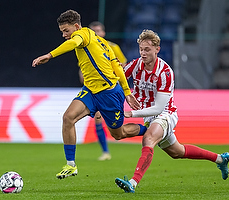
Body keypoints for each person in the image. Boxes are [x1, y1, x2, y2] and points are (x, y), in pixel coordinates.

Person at [32, 10, 148, 179]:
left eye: (66, 31)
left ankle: (150, 130)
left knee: (118, 134)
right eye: (62, 32)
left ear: (77, 26)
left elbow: (117, 67)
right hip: (90, 90)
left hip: (109, 93)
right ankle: (71, 165)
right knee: (68, 118)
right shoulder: (101, 42)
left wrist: (49, 55)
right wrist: (127, 91)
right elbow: (116, 66)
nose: (64, 35)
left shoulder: (82, 34)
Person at [115, 29, 229, 193]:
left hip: (166, 114)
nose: (143, 53)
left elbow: (158, 108)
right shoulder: (135, 65)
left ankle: (133, 183)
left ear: (157, 49)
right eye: (141, 49)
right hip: (148, 117)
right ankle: (220, 159)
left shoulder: (165, 72)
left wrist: (130, 114)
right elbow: (117, 80)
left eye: (147, 49)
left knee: (148, 138)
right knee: (178, 152)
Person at [78, 21, 128, 161]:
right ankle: (105, 151)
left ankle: (143, 132)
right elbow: (82, 69)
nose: (96, 33)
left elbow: (122, 66)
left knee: (116, 127)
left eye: (98, 31)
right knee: (98, 120)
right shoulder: (86, 48)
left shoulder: (113, 47)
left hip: (112, 90)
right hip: (96, 90)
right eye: (93, 31)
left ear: (103, 33)